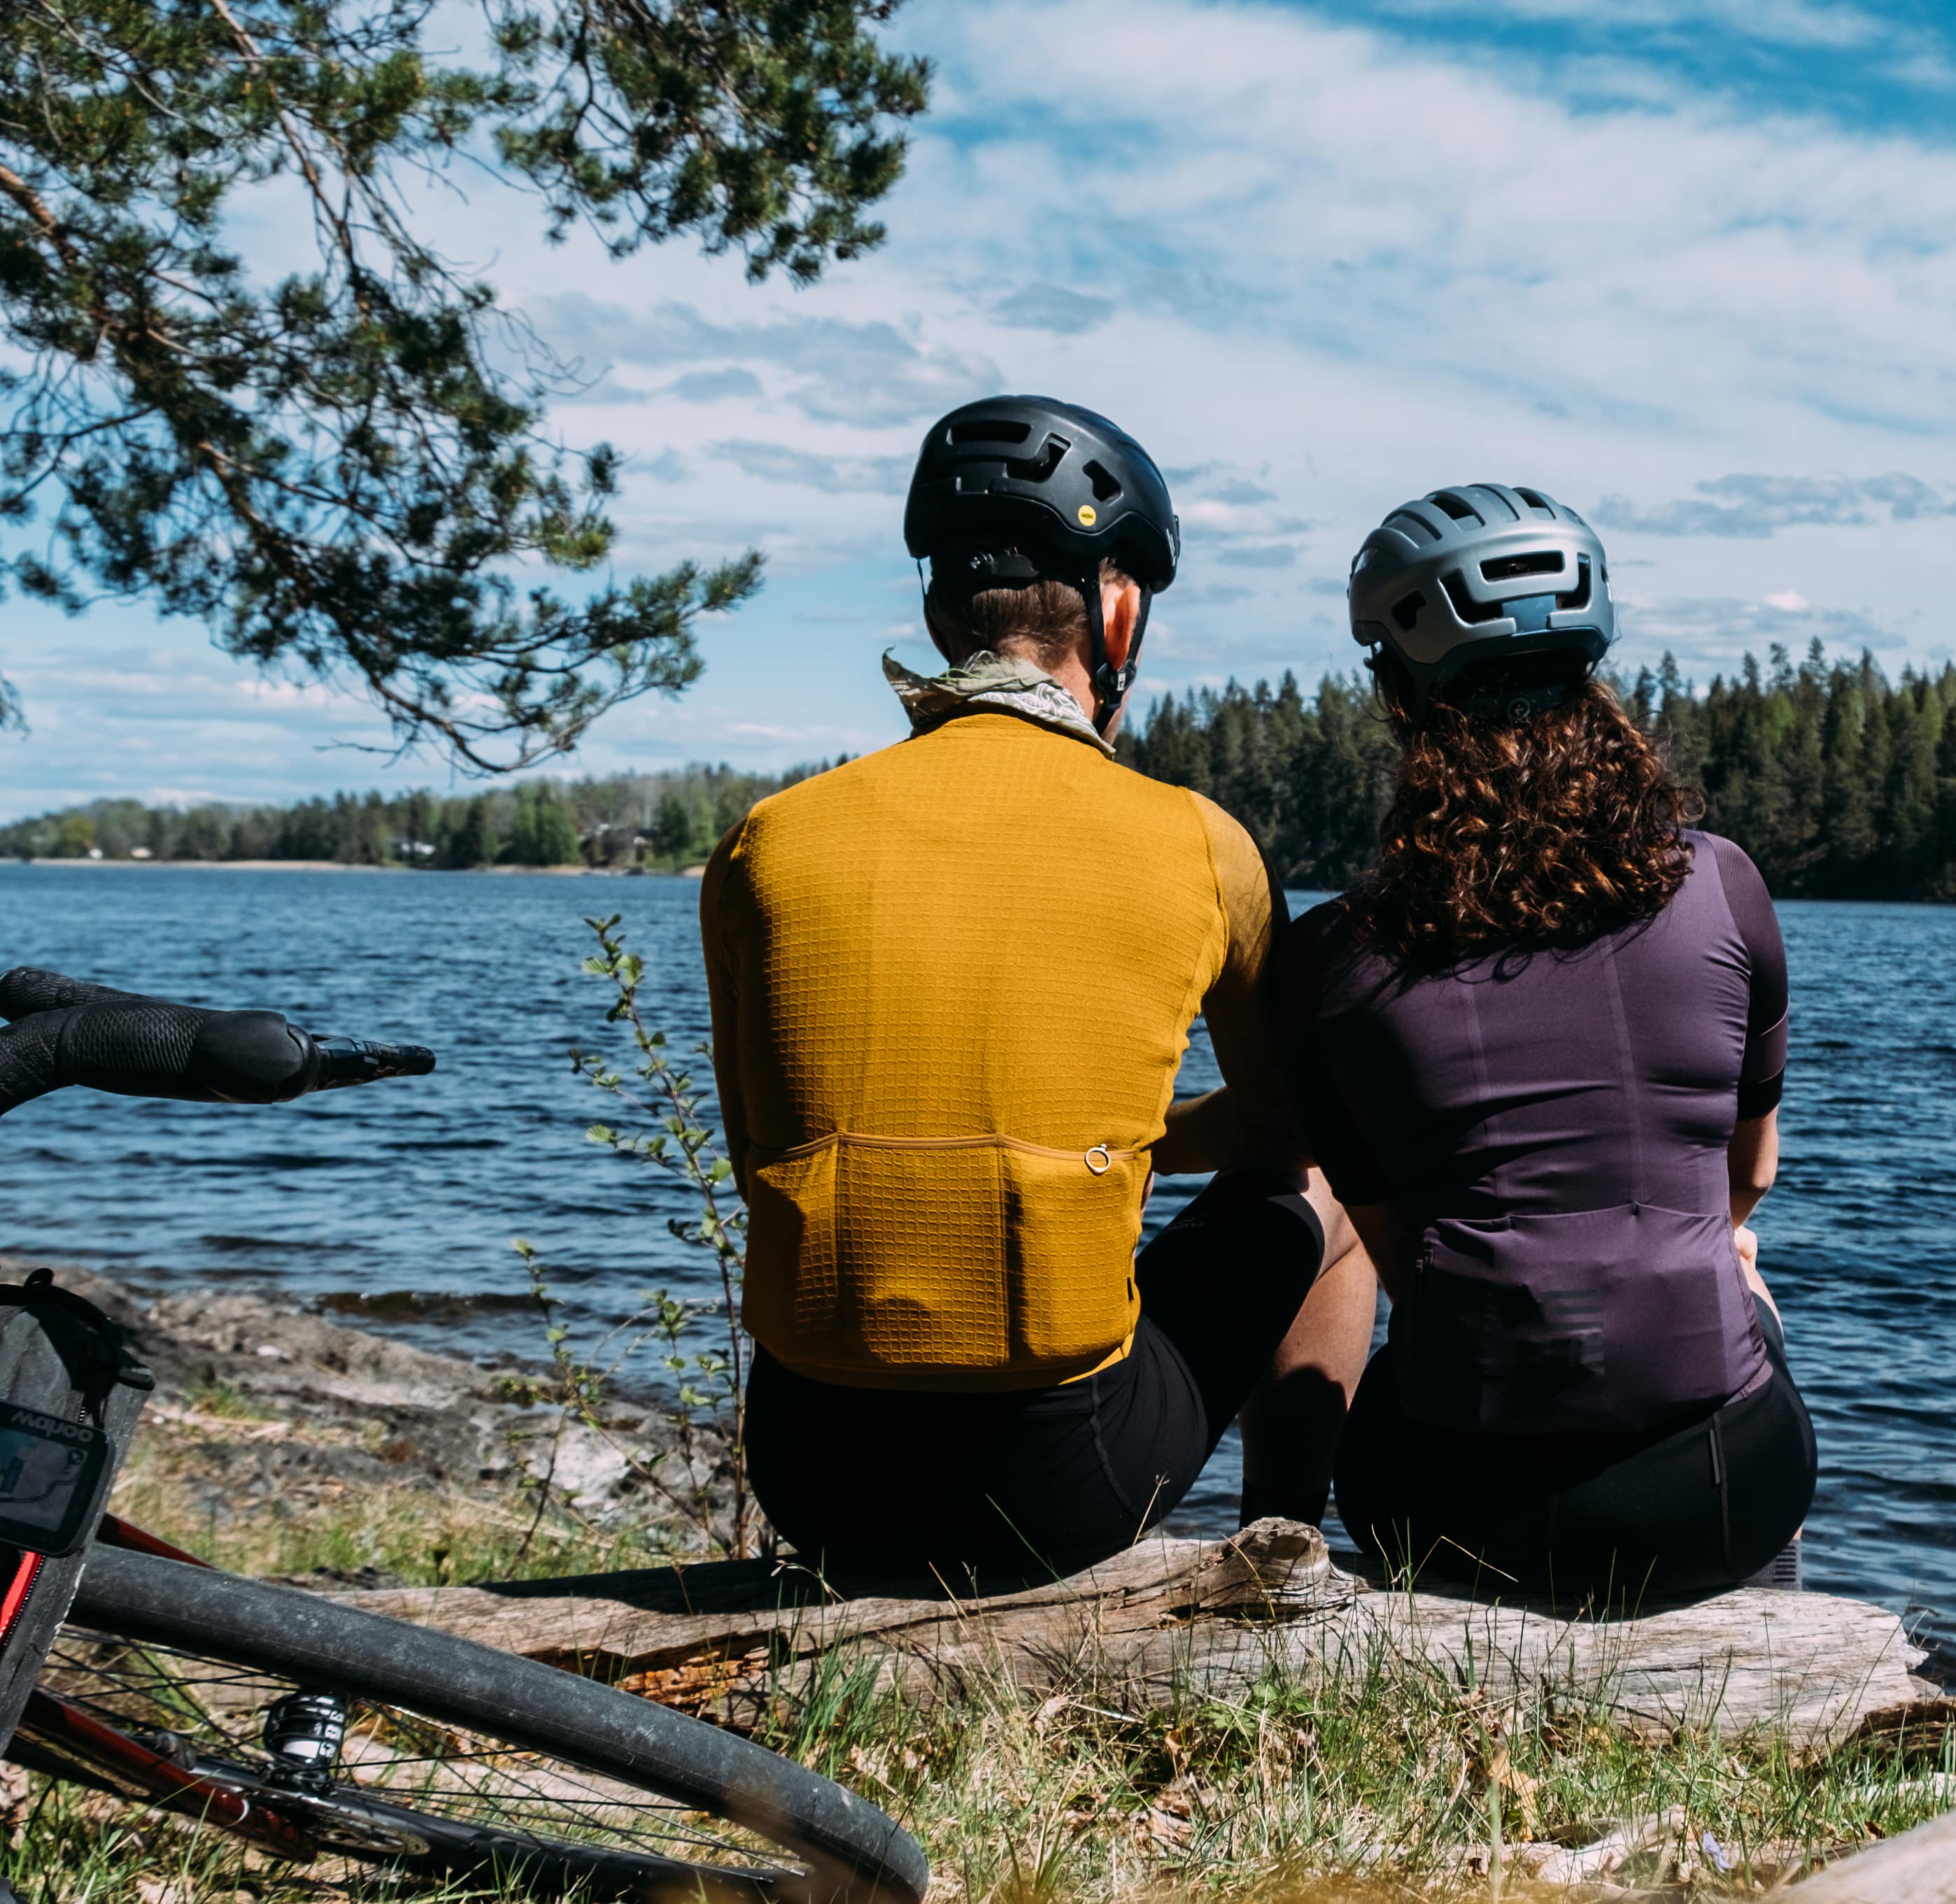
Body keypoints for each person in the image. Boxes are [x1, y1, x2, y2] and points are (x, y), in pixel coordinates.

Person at [700, 395, 1373, 1586]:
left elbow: (762, 1139)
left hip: (810, 1476)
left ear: (937, 608)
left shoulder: (769, 838)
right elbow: (1282, 1132)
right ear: (1115, 609)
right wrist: (1109, 1151)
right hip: (1054, 1488)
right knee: (1326, 1198)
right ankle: (1289, 1543)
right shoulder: (1199, 842)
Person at [1268, 484, 1811, 1605]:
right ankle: (1759, 1634)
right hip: (1718, 1493)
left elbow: (1402, 1256)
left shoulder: (1334, 954)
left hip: (1451, 1506)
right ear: (1593, 666)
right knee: (1737, 1283)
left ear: (1396, 690)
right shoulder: (1723, 882)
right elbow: (1745, 1178)